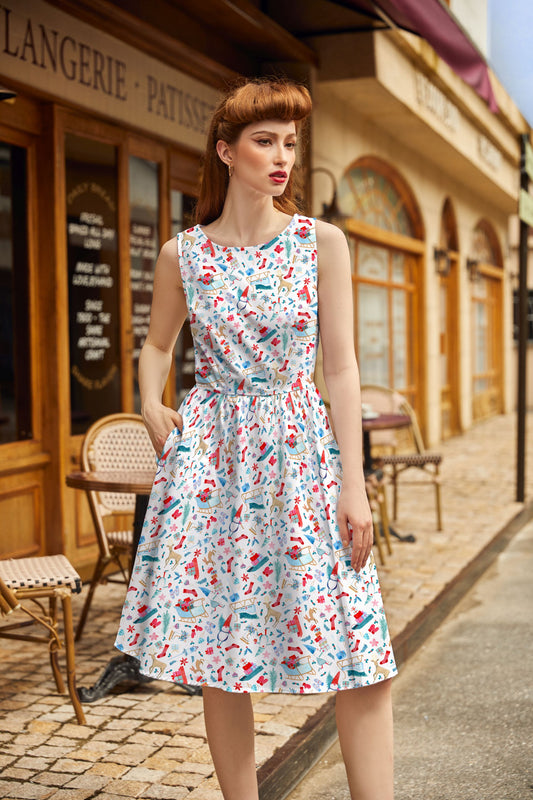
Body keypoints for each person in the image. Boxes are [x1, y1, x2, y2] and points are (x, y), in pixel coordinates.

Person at [116, 78, 397, 800]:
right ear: (226, 151)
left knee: (359, 646)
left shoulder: (318, 242)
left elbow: (339, 366)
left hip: (301, 449)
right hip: (213, 459)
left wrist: (351, 482)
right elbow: (155, 344)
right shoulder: (184, 255)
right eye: (265, 142)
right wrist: (150, 400)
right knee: (219, 653)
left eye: (290, 144)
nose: (282, 158)